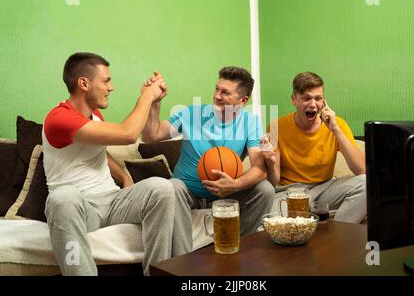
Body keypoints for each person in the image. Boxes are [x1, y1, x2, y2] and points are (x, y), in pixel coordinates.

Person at [42, 52, 192, 276]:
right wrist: (146, 97)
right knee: (61, 199)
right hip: (82, 208)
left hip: (112, 202)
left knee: (163, 188)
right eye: (106, 81)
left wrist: (124, 177)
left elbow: (98, 153)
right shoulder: (59, 119)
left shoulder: (95, 118)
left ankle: (157, 272)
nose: (111, 87)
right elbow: (128, 134)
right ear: (83, 83)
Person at [142, 66, 275, 236]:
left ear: (242, 100)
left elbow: (260, 168)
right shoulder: (192, 113)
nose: (217, 96)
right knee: (172, 186)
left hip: (227, 195)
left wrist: (234, 185)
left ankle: (239, 245)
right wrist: (155, 102)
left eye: (225, 92)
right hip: (187, 192)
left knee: (265, 190)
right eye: (217, 89)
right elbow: (151, 136)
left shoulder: (250, 122)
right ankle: (182, 259)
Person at [261, 72, 366, 223]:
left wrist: (336, 130)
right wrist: (270, 163)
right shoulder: (276, 126)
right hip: (290, 192)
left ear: (323, 101)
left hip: (325, 188)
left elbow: (361, 170)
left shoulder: (337, 125)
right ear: (294, 99)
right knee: (273, 222)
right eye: (306, 98)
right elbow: (272, 180)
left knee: (366, 183)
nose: (313, 104)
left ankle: (338, 236)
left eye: (318, 98)